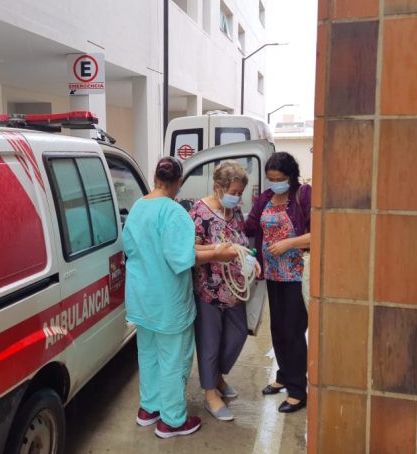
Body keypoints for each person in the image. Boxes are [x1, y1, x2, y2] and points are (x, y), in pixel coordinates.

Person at [123, 156, 239, 439]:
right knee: (174, 360)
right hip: (167, 301)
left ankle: (149, 409)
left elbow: (135, 247)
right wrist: (218, 254)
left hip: (141, 297)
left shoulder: (139, 207)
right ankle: (172, 421)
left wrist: (213, 249)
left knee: (148, 355)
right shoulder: (174, 212)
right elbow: (182, 258)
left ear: (155, 178)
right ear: (178, 182)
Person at [189, 160, 259, 422]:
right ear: (218, 187)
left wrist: (250, 260)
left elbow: (241, 241)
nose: (237, 198)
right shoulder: (199, 212)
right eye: (234, 192)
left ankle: (217, 376)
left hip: (235, 290)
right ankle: (210, 394)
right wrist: (219, 253)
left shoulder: (235, 211)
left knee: (237, 336)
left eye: (240, 193)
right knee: (210, 343)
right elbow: (191, 251)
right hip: (209, 290)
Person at [244, 152, 311, 414]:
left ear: (290, 176)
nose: (275, 183)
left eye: (279, 179)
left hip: (294, 275)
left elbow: (319, 232)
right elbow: (250, 226)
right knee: (279, 329)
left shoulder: (304, 195)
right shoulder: (265, 198)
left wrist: (289, 243)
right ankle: (283, 375)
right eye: (271, 179)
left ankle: (298, 390)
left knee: (294, 330)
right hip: (271, 274)